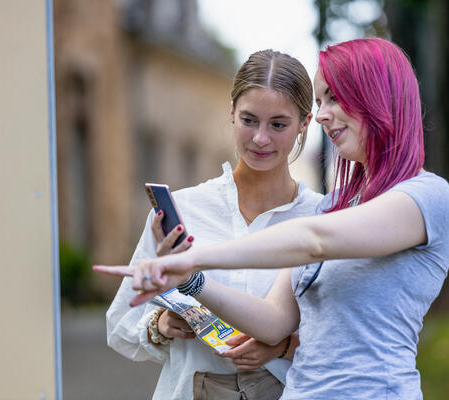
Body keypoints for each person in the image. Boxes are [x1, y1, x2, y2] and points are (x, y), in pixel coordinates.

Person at [97, 38, 449, 399]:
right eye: (320, 101)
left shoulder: (429, 197)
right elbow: (273, 321)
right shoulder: (333, 207)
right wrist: (190, 280)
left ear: (377, 97)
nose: (322, 114)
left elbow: (314, 241)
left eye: (334, 97)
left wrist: (194, 257)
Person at [105, 49, 322, 400]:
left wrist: (282, 347)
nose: (260, 138)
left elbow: (347, 337)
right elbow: (119, 325)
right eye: (249, 120)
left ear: (304, 124)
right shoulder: (182, 210)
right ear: (232, 112)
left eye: (278, 124)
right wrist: (160, 326)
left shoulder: (321, 218)